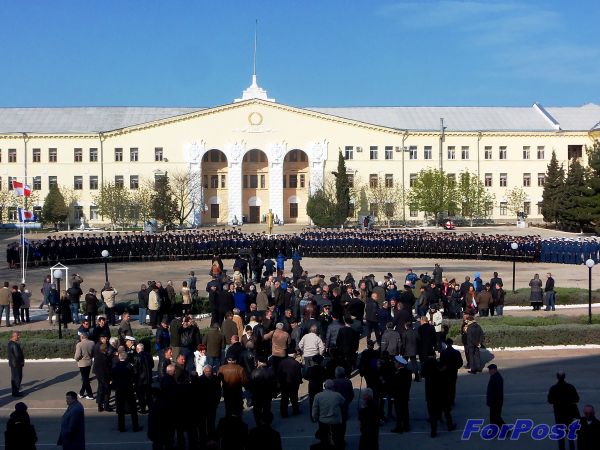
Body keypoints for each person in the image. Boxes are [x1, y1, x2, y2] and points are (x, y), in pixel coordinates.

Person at [548, 372, 580, 450]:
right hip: (569, 414)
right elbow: (577, 399)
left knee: (560, 436)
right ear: (565, 377)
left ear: (557, 377)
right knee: (570, 435)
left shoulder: (553, 388)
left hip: (559, 414)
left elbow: (550, 400)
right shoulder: (570, 387)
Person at [112, 351, 143, 432]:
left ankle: (121, 427)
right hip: (129, 389)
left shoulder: (115, 366)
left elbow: (113, 377)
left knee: (120, 409)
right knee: (133, 408)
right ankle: (135, 426)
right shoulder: (129, 366)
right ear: (126, 358)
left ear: (119, 357)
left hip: (119, 390)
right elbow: (134, 376)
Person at [312, 379, 346, 450]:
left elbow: (315, 409)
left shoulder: (318, 396)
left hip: (323, 421)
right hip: (335, 421)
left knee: (324, 437)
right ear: (333, 387)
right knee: (337, 437)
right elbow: (343, 403)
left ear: (324, 386)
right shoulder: (337, 395)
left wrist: (315, 418)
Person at [389, 356, 412, 434]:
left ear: (399, 364)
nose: (395, 364)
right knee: (405, 411)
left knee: (399, 412)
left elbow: (395, 385)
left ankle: (399, 427)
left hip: (398, 395)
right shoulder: (408, 372)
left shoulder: (397, 374)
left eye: (396, 362)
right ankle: (406, 426)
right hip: (405, 395)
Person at [133, 343, 154, 414]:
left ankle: (143, 409)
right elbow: (152, 365)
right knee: (149, 394)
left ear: (138, 349)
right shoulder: (149, 355)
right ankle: (151, 408)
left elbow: (135, 370)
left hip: (140, 380)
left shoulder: (136, 357)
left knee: (141, 395)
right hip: (148, 378)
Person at [74, 332, 95, 400]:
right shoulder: (92, 343)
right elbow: (93, 353)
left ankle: (90, 394)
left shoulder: (79, 344)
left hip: (82, 363)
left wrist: (76, 359)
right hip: (89, 362)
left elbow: (77, 356)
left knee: (85, 379)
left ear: (82, 337)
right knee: (85, 378)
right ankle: (81, 393)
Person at [8, 331, 25, 397]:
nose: (19, 337)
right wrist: (22, 362)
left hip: (12, 364)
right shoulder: (15, 344)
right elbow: (18, 355)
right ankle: (16, 392)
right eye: (18, 336)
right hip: (17, 364)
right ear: (14, 336)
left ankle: (14, 391)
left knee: (14, 377)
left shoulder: (10, 343)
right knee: (18, 377)